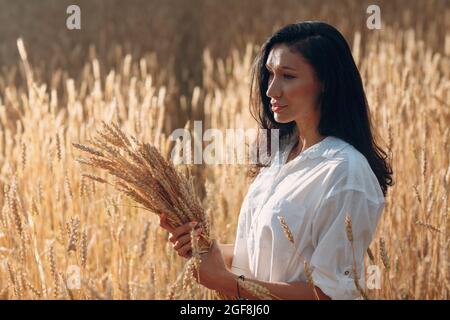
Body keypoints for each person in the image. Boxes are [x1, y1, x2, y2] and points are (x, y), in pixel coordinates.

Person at [159, 21, 393, 300]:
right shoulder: (279, 153)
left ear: (325, 83)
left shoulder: (346, 172)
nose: (271, 90)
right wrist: (206, 249)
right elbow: (261, 253)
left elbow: (329, 294)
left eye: (288, 76)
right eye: (270, 74)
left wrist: (225, 281)